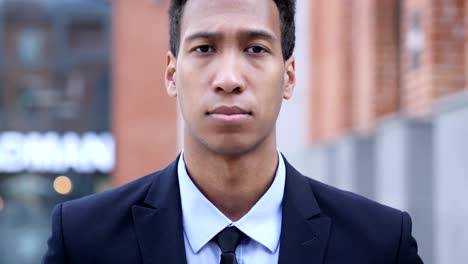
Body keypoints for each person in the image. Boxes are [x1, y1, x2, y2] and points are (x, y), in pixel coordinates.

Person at [43, 0, 423, 263]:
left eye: (255, 49)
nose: (228, 79)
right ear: (172, 74)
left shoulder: (380, 244)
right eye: (205, 48)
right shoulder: (82, 239)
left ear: (288, 76)